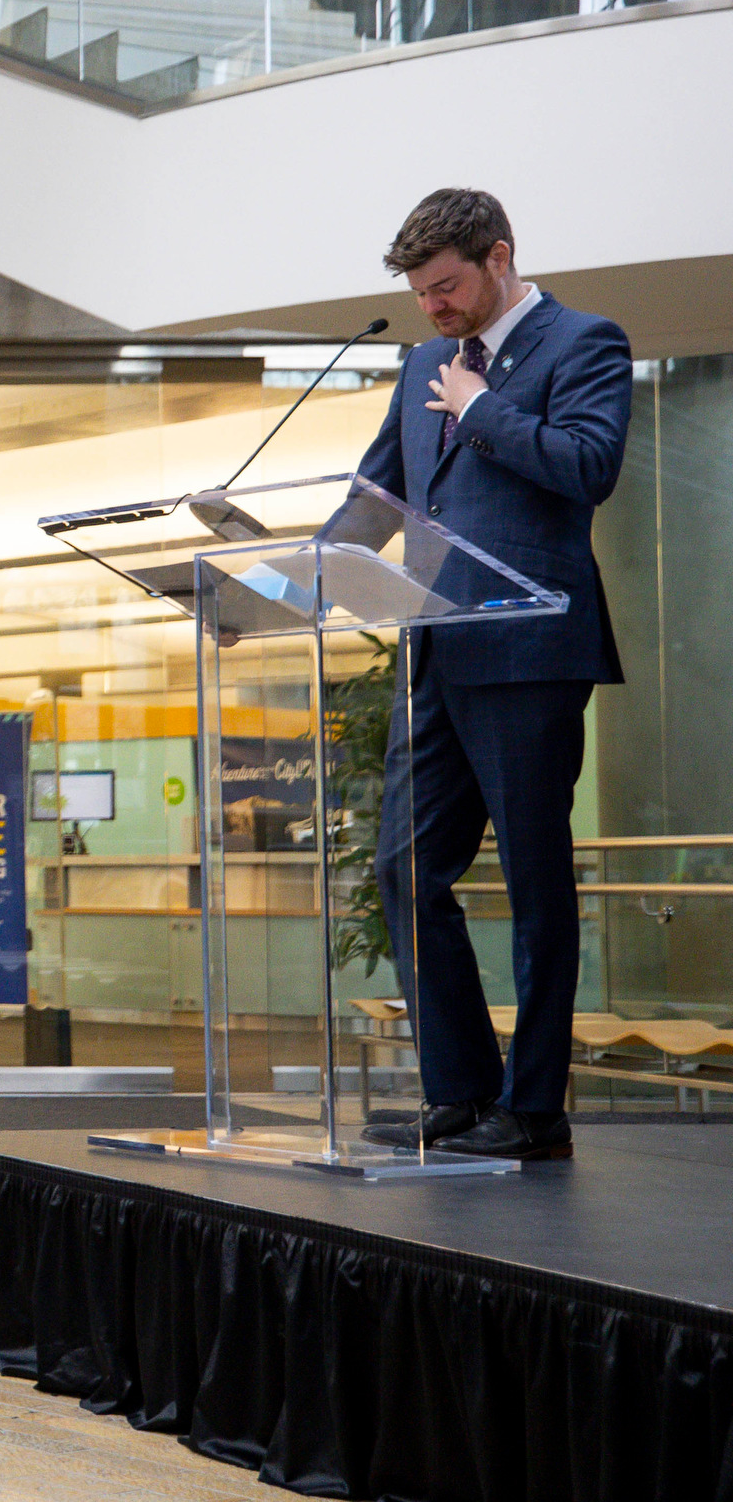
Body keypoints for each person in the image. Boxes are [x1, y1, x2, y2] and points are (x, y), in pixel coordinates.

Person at [353, 189, 628, 1164]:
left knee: (535, 878)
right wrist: (285, 563)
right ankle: (462, 1091)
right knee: (404, 866)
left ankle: (537, 1105)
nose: (434, 308)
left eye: (448, 285)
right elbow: (380, 489)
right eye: (422, 291)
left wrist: (485, 410)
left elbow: (589, 465)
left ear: (499, 255)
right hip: (434, 649)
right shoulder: (422, 361)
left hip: (527, 652)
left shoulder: (583, 342)